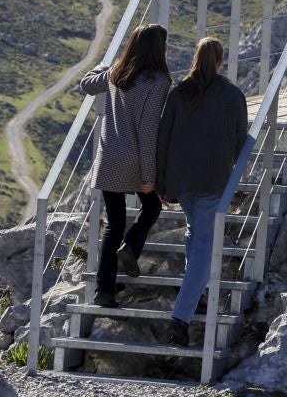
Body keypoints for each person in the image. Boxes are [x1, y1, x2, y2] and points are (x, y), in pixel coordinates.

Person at [156, 37, 248, 348]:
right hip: (213, 182)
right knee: (205, 250)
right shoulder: (233, 96)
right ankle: (179, 320)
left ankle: (196, 298)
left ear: (196, 57)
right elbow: (240, 145)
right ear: (220, 61)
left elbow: (163, 139)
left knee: (196, 235)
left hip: (181, 182)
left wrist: (161, 181)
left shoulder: (179, 92)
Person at [80, 22, 170, 308]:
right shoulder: (158, 82)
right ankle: (131, 247)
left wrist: (106, 66)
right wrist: (149, 175)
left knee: (113, 225)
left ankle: (104, 292)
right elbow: (146, 132)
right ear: (158, 49)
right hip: (134, 160)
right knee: (152, 206)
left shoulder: (116, 74)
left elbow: (85, 84)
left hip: (108, 158)